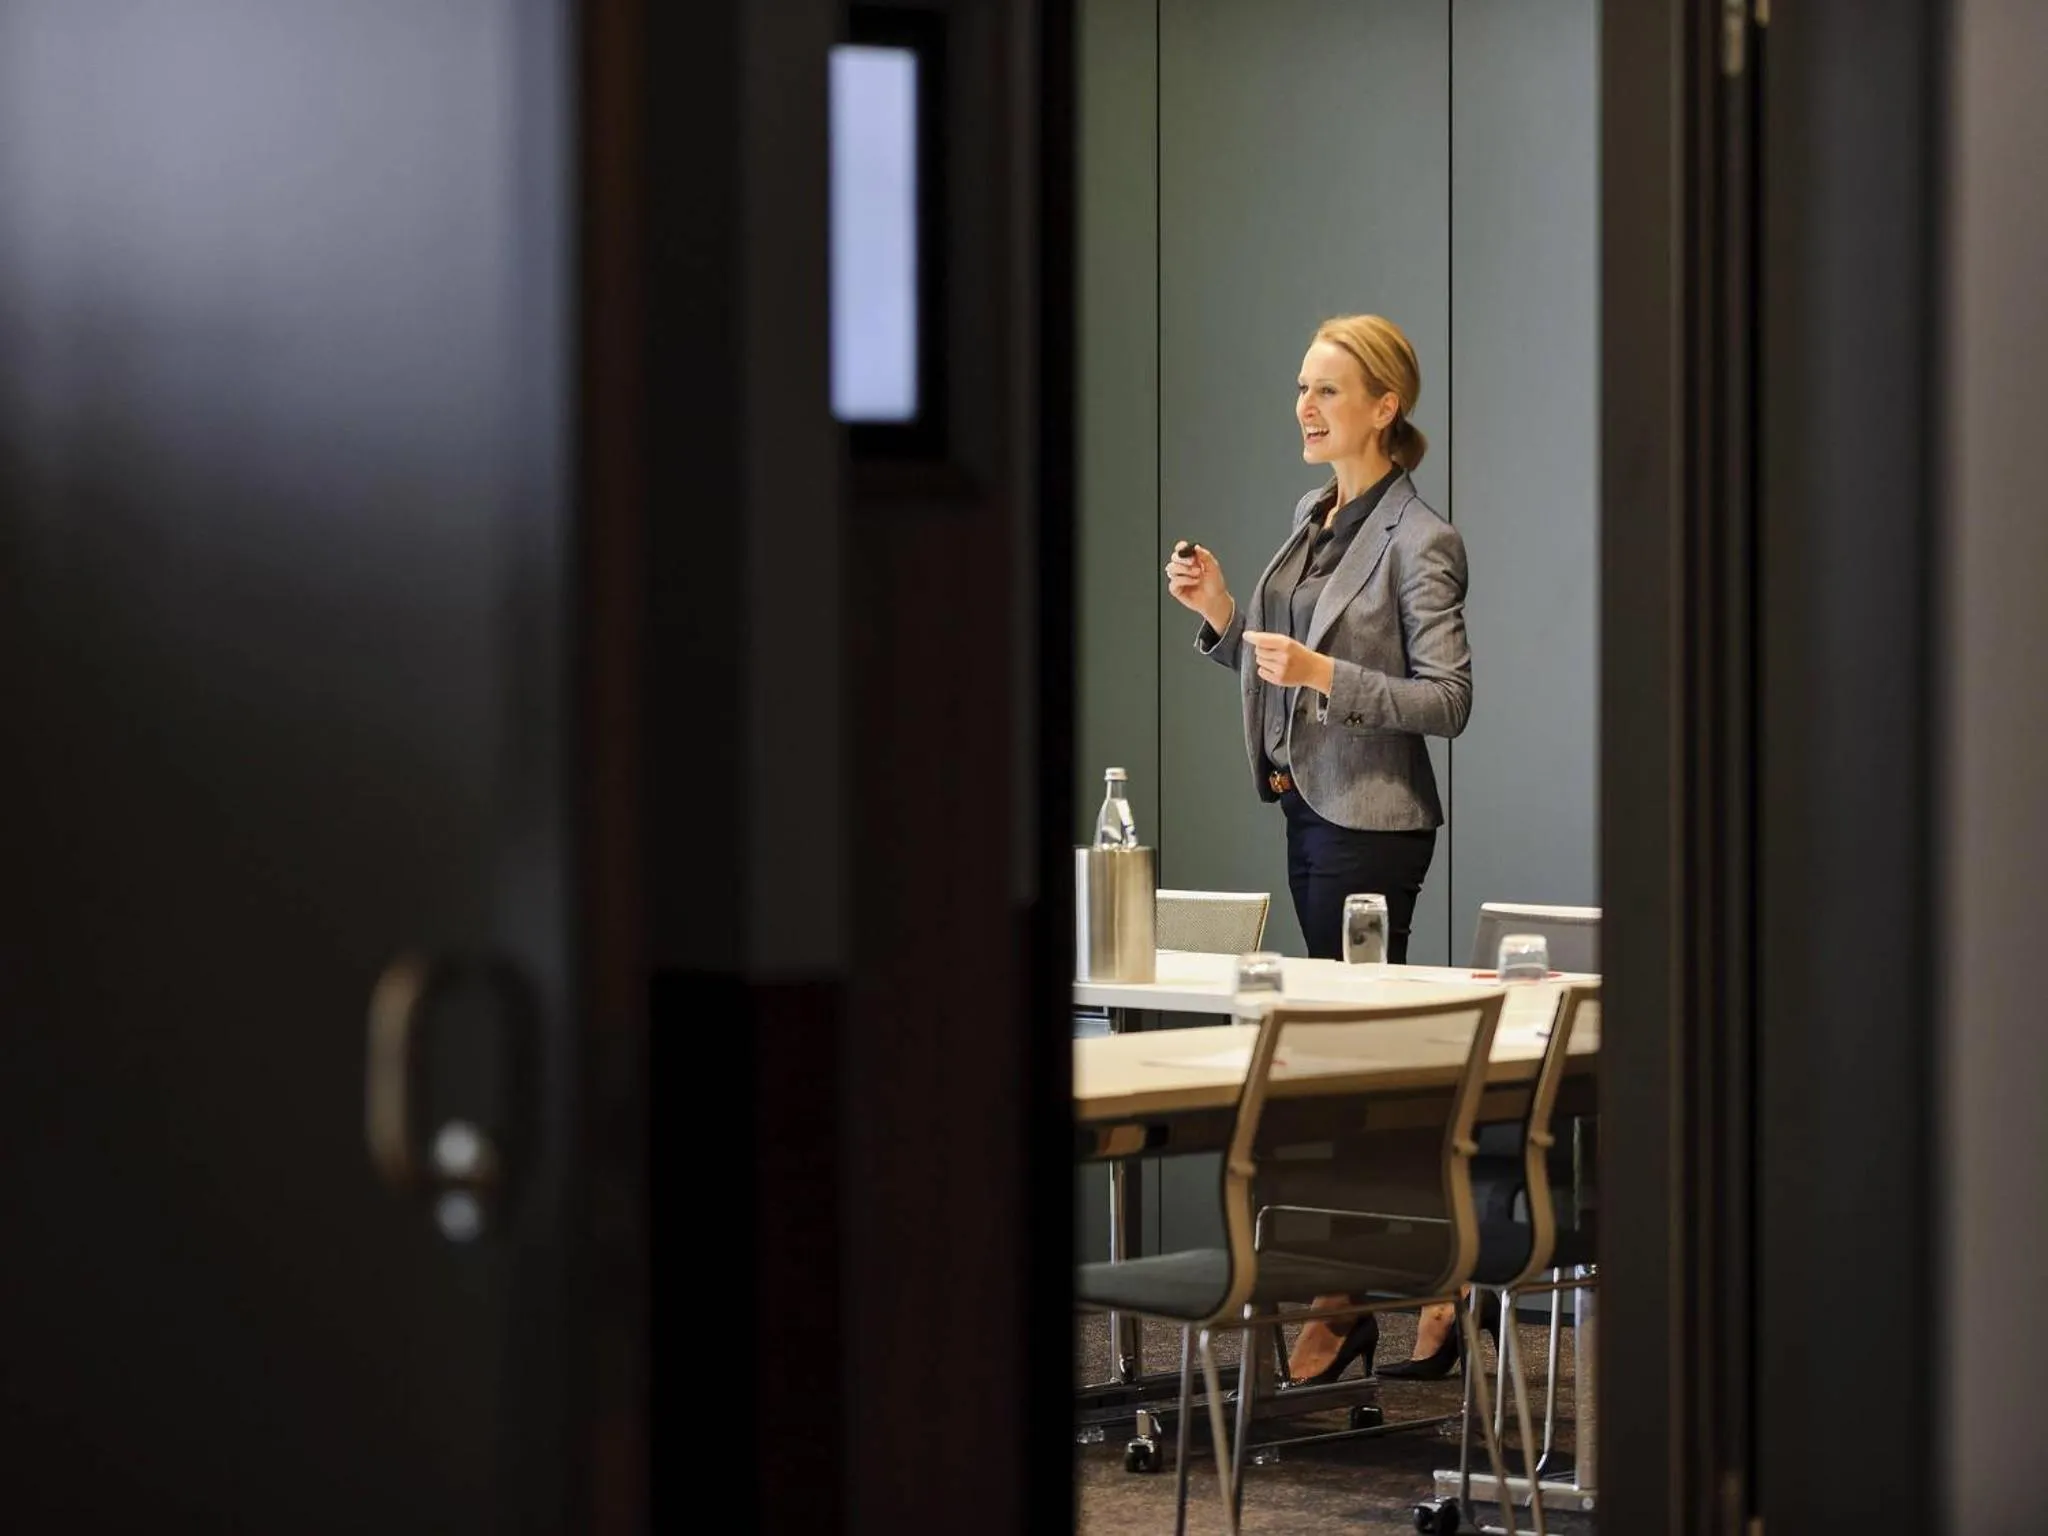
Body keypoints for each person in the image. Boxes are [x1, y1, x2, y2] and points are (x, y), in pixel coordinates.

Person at [1163, 312, 1475, 1382]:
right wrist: (1218, 620)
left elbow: (1447, 702)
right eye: (1300, 388)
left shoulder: (1418, 539)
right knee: (1354, 1072)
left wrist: (1319, 676)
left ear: (1383, 408)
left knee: (1361, 1073)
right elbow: (1278, 677)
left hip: (1372, 832)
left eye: (1326, 391)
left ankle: (1364, 1296)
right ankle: (1423, 1288)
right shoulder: (1313, 517)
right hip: (1305, 814)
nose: (1303, 407)